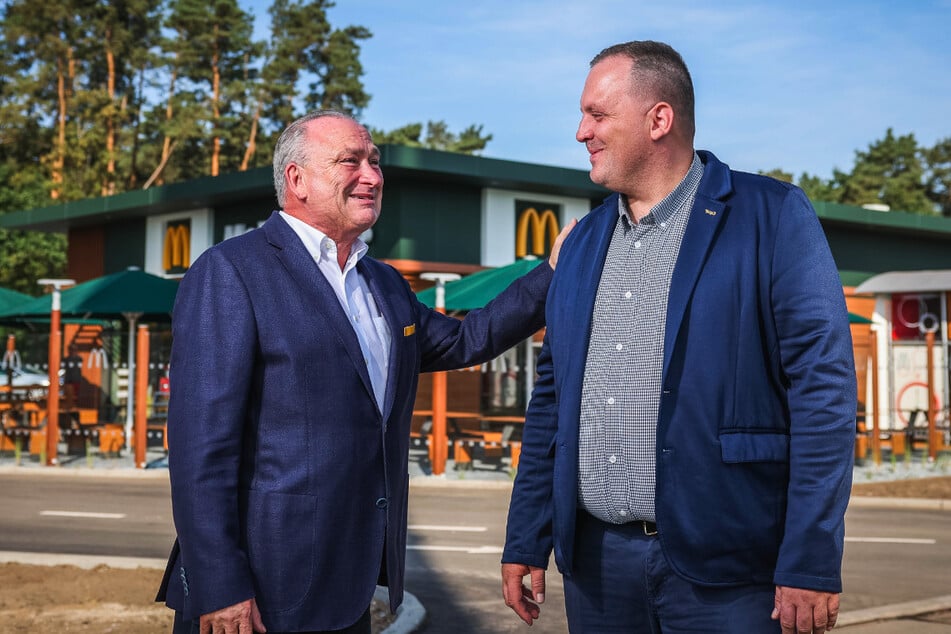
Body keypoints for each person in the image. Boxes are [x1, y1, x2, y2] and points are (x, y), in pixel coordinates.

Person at [156, 110, 572, 634]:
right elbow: (200, 451)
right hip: (255, 596)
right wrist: (220, 586)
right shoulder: (231, 272)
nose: (372, 176)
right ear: (296, 179)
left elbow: (469, 338)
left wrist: (553, 274)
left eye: (374, 162)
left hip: (349, 590)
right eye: (349, 161)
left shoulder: (384, 283)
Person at [501, 41, 856, 634]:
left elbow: (823, 392)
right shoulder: (582, 242)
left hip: (732, 570)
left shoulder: (771, 216)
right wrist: (525, 536)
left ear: (659, 119)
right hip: (597, 569)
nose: (581, 131)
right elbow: (552, 400)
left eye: (597, 114)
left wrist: (812, 557)